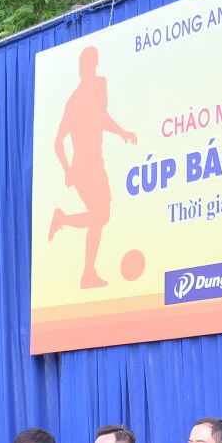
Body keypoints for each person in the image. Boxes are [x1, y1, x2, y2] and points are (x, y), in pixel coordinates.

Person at [49, 45, 137, 288]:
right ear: (81, 68)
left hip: (96, 163)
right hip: (84, 166)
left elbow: (101, 117)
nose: (89, 69)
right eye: (85, 65)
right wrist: (68, 169)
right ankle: (88, 274)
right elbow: (58, 142)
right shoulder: (74, 100)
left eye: (92, 64)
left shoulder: (99, 85)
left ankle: (63, 220)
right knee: (100, 216)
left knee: (102, 216)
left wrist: (122, 132)